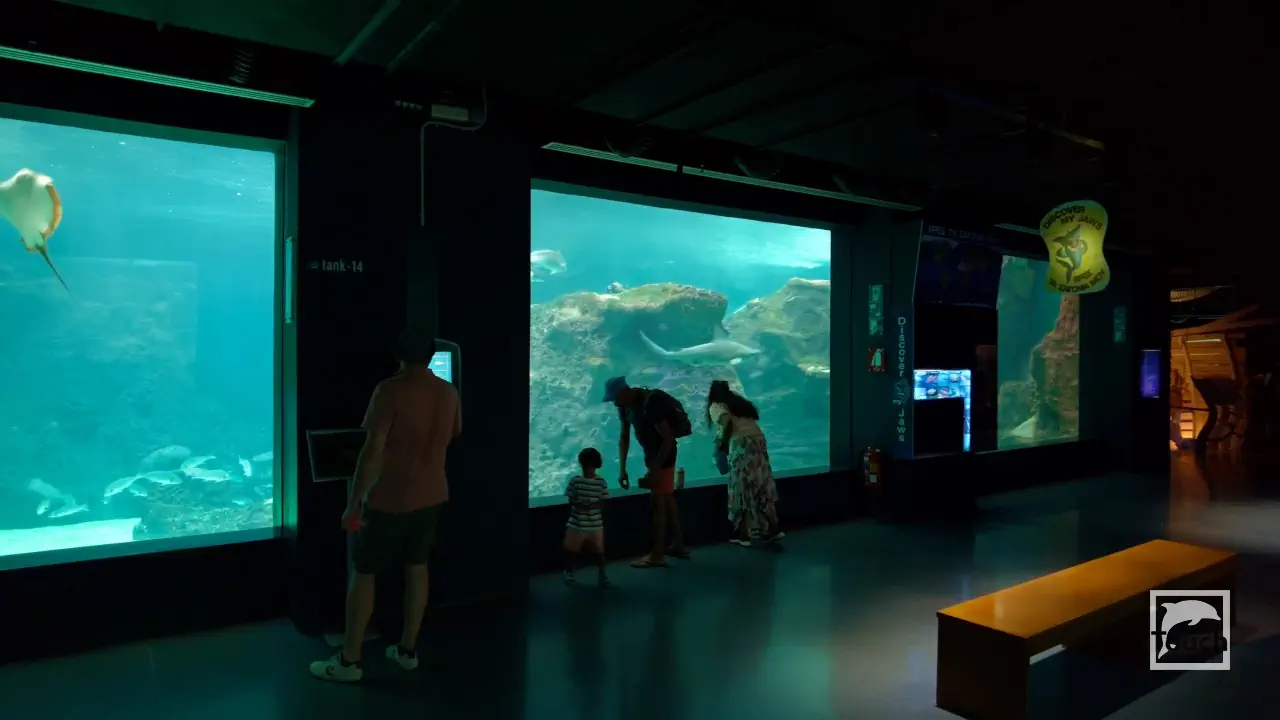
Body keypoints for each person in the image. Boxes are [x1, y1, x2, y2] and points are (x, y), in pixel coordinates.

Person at [310, 329, 461, 683]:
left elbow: (373, 449)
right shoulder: (448, 391)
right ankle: (407, 650)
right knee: (417, 567)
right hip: (432, 495)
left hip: (387, 499)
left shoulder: (389, 390)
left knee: (364, 573)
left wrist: (354, 503)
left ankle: (349, 661)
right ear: (431, 354)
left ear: (397, 355)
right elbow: (455, 433)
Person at [603, 376, 690, 568]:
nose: (614, 403)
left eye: (615, 398)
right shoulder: (624, 407)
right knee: (666, 498)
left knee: (658, 503)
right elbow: (624, 436)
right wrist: (622, 469)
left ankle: (657, 555)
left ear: (624, 392)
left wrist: (655, 469)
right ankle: (678, 544)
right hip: (652, 455)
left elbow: (668, 439)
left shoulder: (650, 403)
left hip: (663, 455)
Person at [706, 380, 782, 546]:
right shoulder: (739, 403)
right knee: (762, 483)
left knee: (741, 487)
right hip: (758, 441)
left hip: (742, 444)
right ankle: (773, 529)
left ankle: (743, 535)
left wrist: (723, 445)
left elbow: (727, 423)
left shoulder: (716, 406)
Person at [563, 447, 611, 588]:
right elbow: (571, 500)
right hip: (577, 523)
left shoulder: (600, 482)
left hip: (594, 524)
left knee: (598, 552)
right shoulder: (576, 481)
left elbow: (603, 502)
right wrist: (585, 505)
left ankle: (602, 575)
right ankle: (569, 573)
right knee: (571, 551)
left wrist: (588, 505)